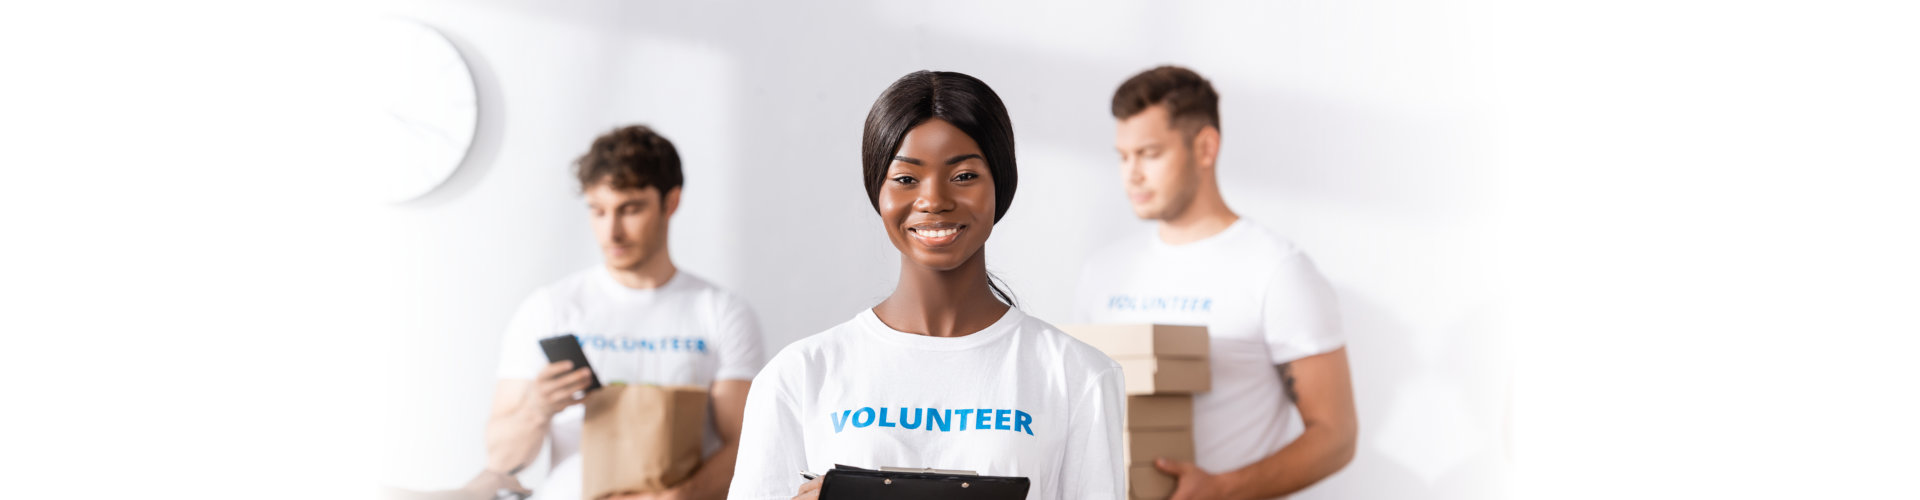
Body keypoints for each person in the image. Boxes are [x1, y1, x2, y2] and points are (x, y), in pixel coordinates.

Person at [726, 71, 1126, 500]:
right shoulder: (800, 375)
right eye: (905, 179)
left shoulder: (1078, 376)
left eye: (964, 176)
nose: (934, 200)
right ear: (877, 193)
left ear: (1000, 185)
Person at [1073, 66, 1359, 500]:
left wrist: (1221, 489)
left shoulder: (1277, 269)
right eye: (1123, 156)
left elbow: (1336, 435)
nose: (1131, 174)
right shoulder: (1103, 270)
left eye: (1149, 154)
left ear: (1205, 148)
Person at [486, 125, 767, 500]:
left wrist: (677, 498)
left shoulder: (721, 313)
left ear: (671, 202)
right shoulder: (550, 308)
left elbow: (745, 448)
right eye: (598, 211)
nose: (611, 231)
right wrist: (537, 408)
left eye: (629, 209)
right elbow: (502, 460)